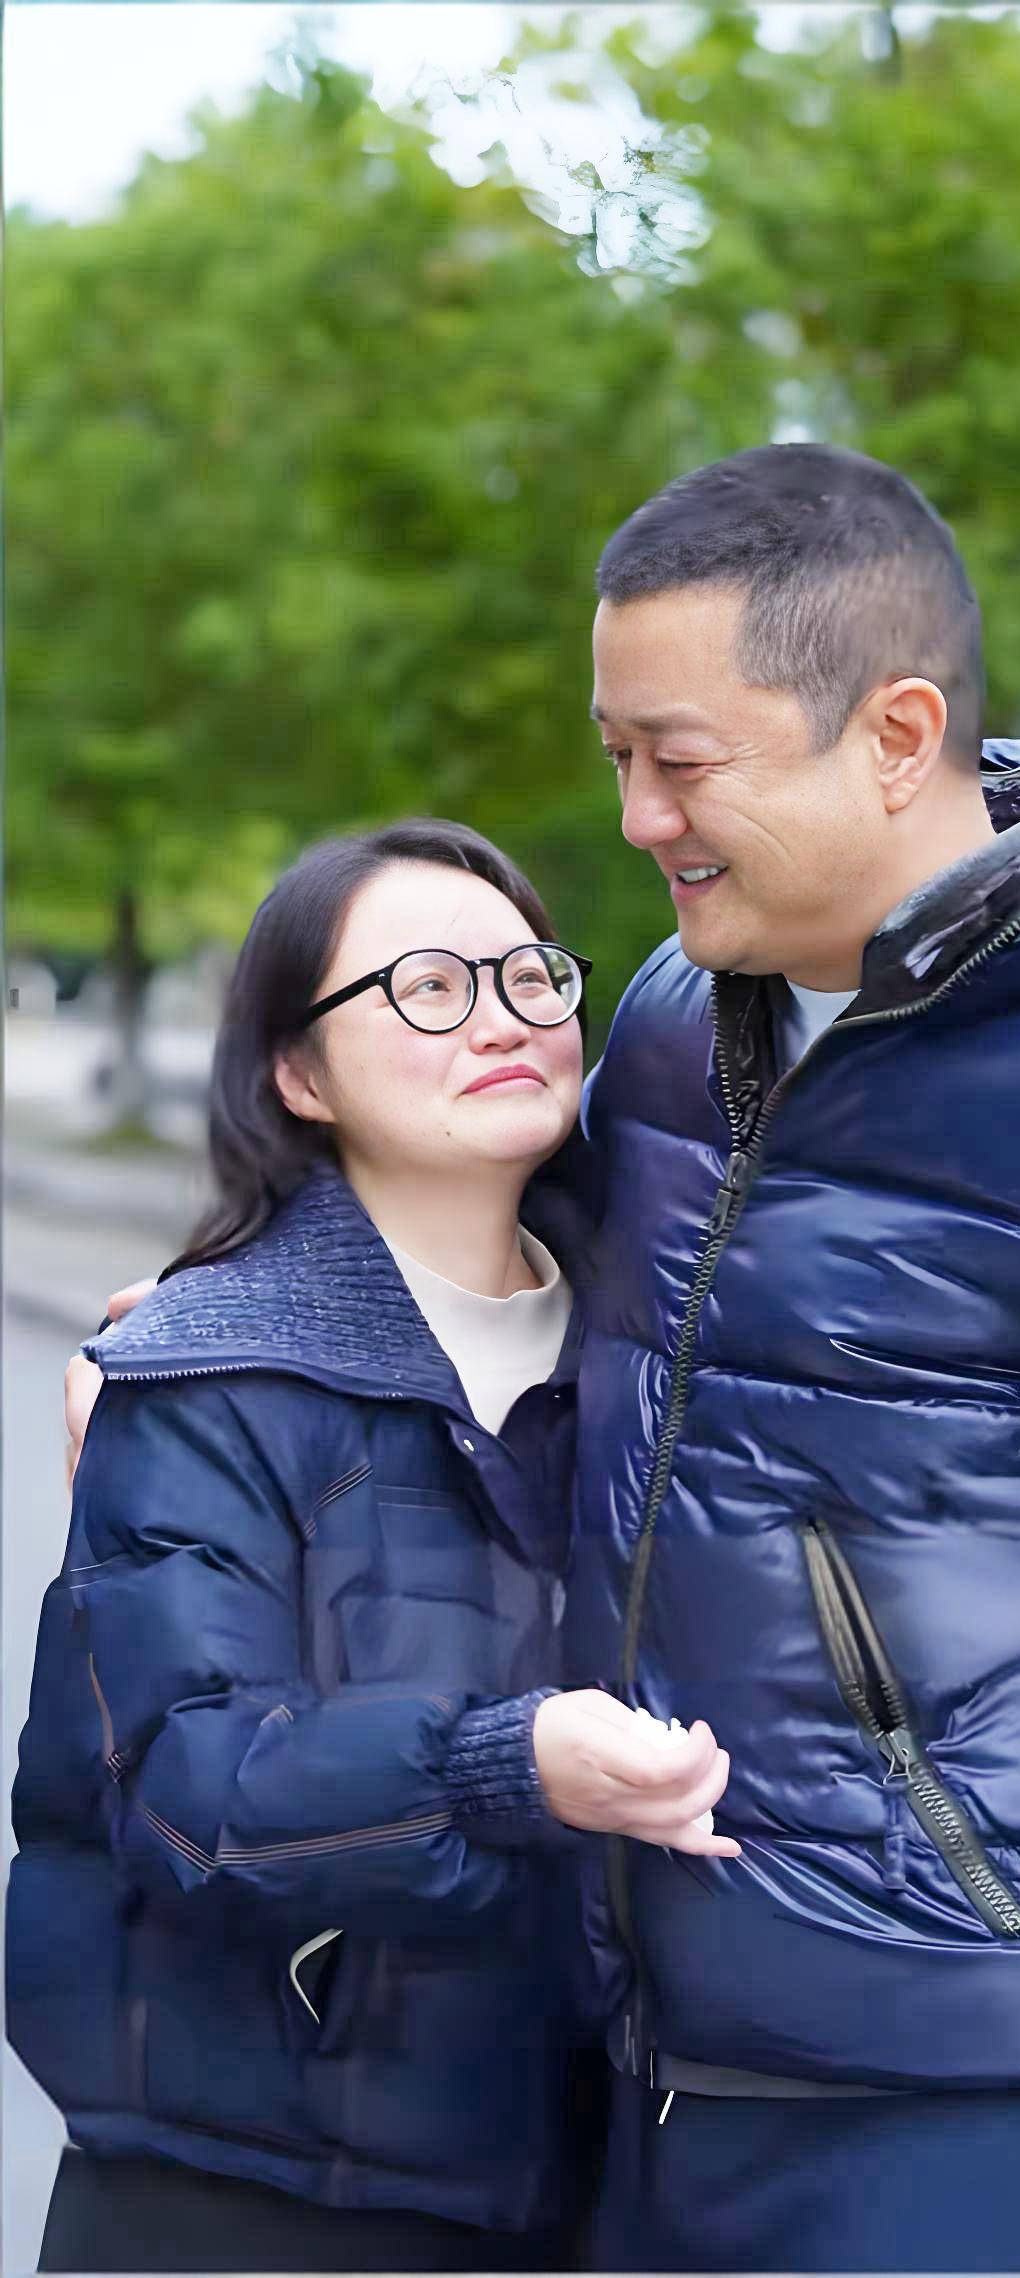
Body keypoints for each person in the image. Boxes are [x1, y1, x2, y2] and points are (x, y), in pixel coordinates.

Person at [565, 444, 1020, 2272]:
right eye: (617, 755)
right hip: (665, 2063)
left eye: (679, 760)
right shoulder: (676, 1011)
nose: (637, 816)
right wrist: (232, 1323)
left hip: (981, 2105)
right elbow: (496, 1271)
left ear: (896, 734)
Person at [10, 817, 739, 2276]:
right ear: (300, 1072)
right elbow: (189, 1788)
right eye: (428, 988)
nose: (502, 1019)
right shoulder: (209, 1372)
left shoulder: (665, 1352)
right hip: (249, 2198)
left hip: (596, 2181)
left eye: (529, 976)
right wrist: (504, 1765)